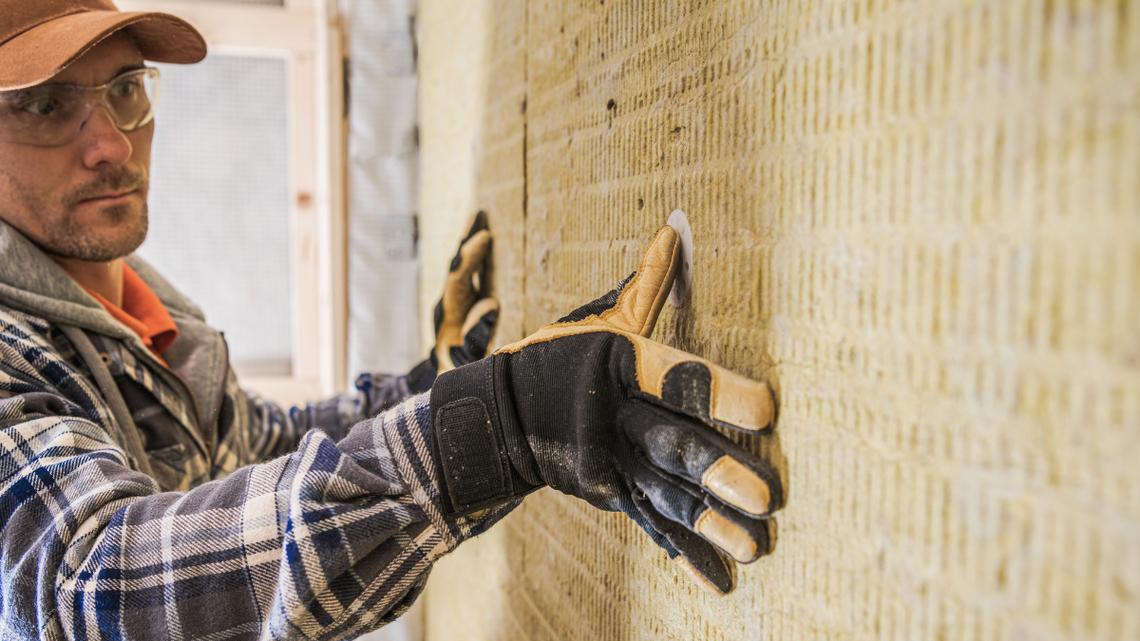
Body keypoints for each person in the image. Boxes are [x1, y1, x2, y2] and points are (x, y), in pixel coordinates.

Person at [0, 1, 783, 639]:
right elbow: (81, 593)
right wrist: (488, 428)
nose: (109, 143)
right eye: (42, 104)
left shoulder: (151, 313)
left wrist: (449, 382)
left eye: (126, 88)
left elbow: (265, 448)